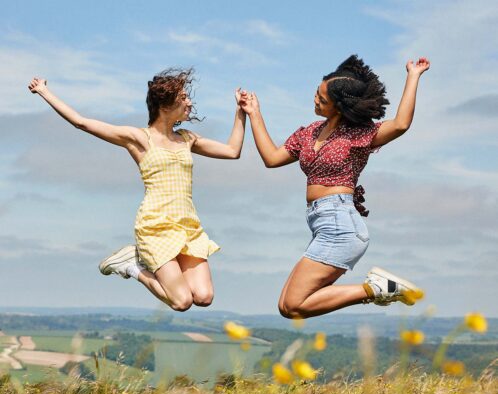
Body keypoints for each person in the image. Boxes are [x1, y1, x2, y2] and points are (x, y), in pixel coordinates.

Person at [29, 68, 246, 311]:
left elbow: (232, 151)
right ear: (165, 104)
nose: (189, 102)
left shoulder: (187, 138)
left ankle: (141, 265)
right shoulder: (139, 139)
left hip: (188, 226)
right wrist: (44, 91)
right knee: (182, 301)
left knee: (204, 297)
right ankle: (132, 266)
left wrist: (240, 112)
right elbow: (82, 123)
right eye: (183, 97)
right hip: (157, 226)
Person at [239, 55, 430, 318]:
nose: (315, 100)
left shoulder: (358, 134)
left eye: (323, 99)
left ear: (339, 106)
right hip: (322, 224)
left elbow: (401, 124)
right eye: (317, 93)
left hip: (341, 225)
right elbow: (271, 158)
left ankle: (375, 290)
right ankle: (377, 290)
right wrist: (254, 113)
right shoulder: (309, 132)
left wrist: (413, 76)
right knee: (287, 306)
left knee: (295, 305)